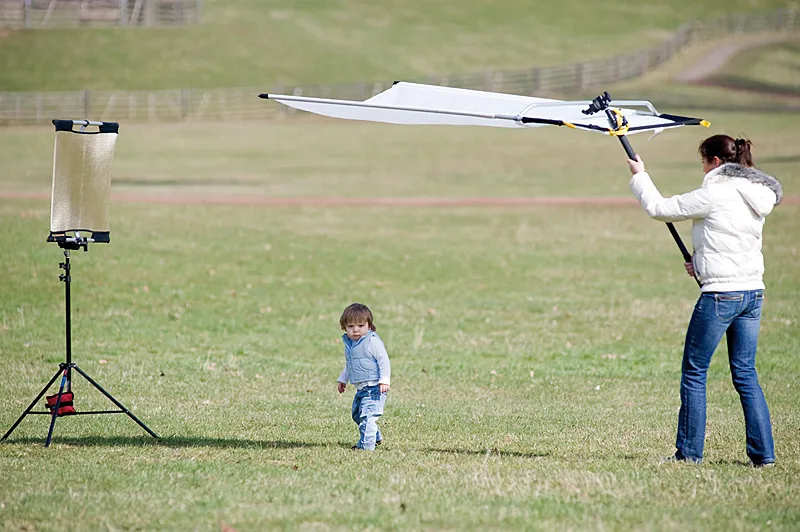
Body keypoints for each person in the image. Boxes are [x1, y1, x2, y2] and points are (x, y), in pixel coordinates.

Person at [626, 134, 783, 467]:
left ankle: (689, 454)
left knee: (694, 372)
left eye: (702, 162)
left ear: (714, 162)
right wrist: (699, 263)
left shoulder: (714, 192)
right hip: (752, 292)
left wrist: (640, 175)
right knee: (745, 374)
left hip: (720, 295)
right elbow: (729, 238)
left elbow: (659, 209)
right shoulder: (754, 194)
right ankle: (763, 455)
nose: (702, 168)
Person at [337, 303, 391, 451]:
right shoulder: (351, 345)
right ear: (344, 328)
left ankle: (366, 447)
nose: (356, 329)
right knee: (357, 415)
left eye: (360, 325)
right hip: (361, 389)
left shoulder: (372, 341)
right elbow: (351, 365)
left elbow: (383, 360)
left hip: (375, 387)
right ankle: (376, 437)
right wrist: (343, 379)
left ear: (369, 326)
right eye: (351, 326)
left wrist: (384, 379)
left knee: (367, 417)